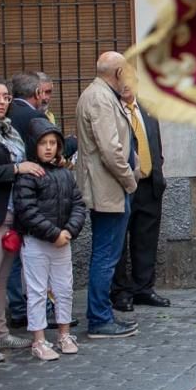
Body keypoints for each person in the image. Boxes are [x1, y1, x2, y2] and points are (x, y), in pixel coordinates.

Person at [75, 52, 139, 339]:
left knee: (106, 253)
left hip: (109, 187)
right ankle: (100, 319)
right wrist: (130, 181)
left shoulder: (100, 94)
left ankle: (100, 315)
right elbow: (111, 150)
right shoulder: (100, 98)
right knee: (106, 255)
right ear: (118, 72)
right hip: (108, 188)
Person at [14, 118, 86, 361]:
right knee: (37, 291)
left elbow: (77, 204)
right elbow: (27, 210)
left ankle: (64, 334)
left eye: (53, 143)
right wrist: (53, 233)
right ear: (34, 145)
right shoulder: (28, 175)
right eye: (43, 143)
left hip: (62, 241)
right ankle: (39, 339)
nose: (48, 148)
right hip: (37, 242)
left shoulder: (65, 174)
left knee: (64, 288)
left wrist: (68, 231)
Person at [111, 84, 169, 312]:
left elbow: (156, 144)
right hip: (123, 185)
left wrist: (158, 171)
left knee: (146, 239)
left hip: (149, 184)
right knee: (119, 243)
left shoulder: (147, 109)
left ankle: (143, 288)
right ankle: (120, 292)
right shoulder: (113, 110)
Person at [0, 78, 42, 359]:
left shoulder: (9, 130)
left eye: (5, 97)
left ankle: (1, 335)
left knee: (1, 280)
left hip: (13, 213)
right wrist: (17, 168)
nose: (2, 101)